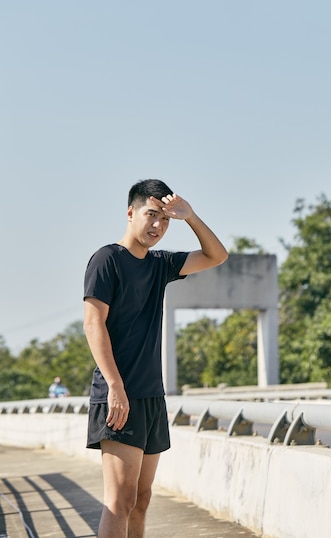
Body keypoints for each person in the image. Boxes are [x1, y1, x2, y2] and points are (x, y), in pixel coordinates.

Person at [83, 179, 228, 538]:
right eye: (151, 215)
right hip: (118, 396)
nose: (157, 226)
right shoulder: (107, 259)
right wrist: (115, 386)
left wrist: (190, 216)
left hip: (150, 396)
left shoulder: (160, 264)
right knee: (120, 500)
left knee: (142, 499)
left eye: (164, 219)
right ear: (130, 212)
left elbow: (217, 255)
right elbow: (92, 323)